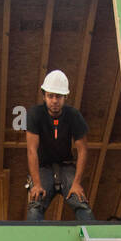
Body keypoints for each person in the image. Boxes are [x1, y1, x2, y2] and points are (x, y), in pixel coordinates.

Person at [25, 69, 94, 222]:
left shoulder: (73, 115)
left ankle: (94, 238)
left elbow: (83, 151)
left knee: (80, 202)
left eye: (58, 96)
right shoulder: (35, 114)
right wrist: (36, 184)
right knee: (35, 203)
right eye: (50, 96)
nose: (54, 100)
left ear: (65, 97)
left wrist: (76, 183)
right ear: (44, 96)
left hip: (66, 166)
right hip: (43, 167)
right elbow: (31, 150)